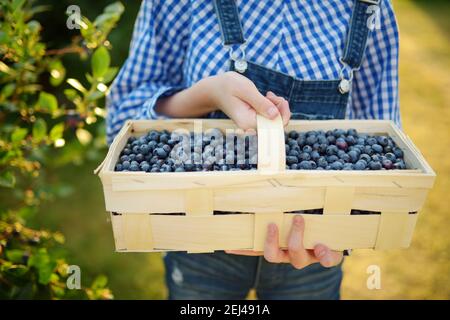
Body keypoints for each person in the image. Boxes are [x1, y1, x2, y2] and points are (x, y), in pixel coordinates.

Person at [107, 0, 400, 299]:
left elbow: (379, 155)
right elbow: (123, 121)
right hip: (198, 238)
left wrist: (341, 239)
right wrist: (206, 94)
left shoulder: (367, 8)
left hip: (311, 244)